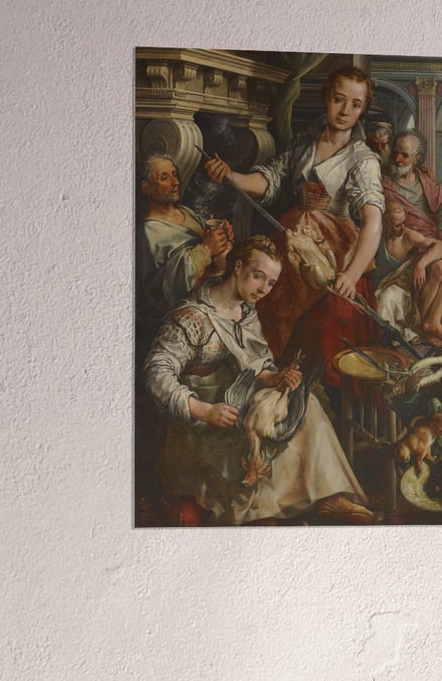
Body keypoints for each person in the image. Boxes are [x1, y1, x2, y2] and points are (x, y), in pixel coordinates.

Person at [143, 235, 375, 524]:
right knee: (259, 432)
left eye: (270, 283)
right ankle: (262, 513)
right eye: (258, 277)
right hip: (202, 418)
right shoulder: (193, 316)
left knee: (305, 404)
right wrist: (204, 410)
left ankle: (329, 496)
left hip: (239, 399)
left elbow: (257, 365)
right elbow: (156, 374)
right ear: (237, 267)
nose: (263, 289)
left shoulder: (246, 312)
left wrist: (275, 376)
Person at [203, 67, 383, 362]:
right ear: (327, 98)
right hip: (291, 240)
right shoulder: (303, 144)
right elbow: (269, 180)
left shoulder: (363, 160)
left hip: (335, 253)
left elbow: (373, 221)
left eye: (356, 104)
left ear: (363, 109)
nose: (345, 111)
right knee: (267, 306)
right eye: (339, 99)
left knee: (325, 329)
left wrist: (350, 276)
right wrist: (230, 176)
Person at [381, 131, 442, 343]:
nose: (398, 159)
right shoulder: (385, 183)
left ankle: (432, 320)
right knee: (438, 267)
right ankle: (422, 323)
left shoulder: (423, 178)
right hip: (408, 242)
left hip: (432, 235)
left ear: (416, 159)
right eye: (396, 153)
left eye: (404, 155)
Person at [136, 152, 232, 339]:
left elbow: (211, 263)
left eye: (174, 174)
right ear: (146, 187)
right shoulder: (149, 231)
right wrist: (206, 249)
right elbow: (164, 290)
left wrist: (222, 240)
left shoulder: (186, 212)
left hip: (213, 302)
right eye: (165, 177)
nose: (175, 182)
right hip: (181, 323)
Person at [372, 200, 442, 342]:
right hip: (379, 286)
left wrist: (421, 264)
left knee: (387, 297)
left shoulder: (408, 237)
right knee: (382, 297)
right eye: (397, 225)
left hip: (403, 292)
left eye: (404, 223)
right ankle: (385, 338)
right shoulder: (377, 236)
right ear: (385, 223)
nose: (403, 228)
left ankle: (391, 338)